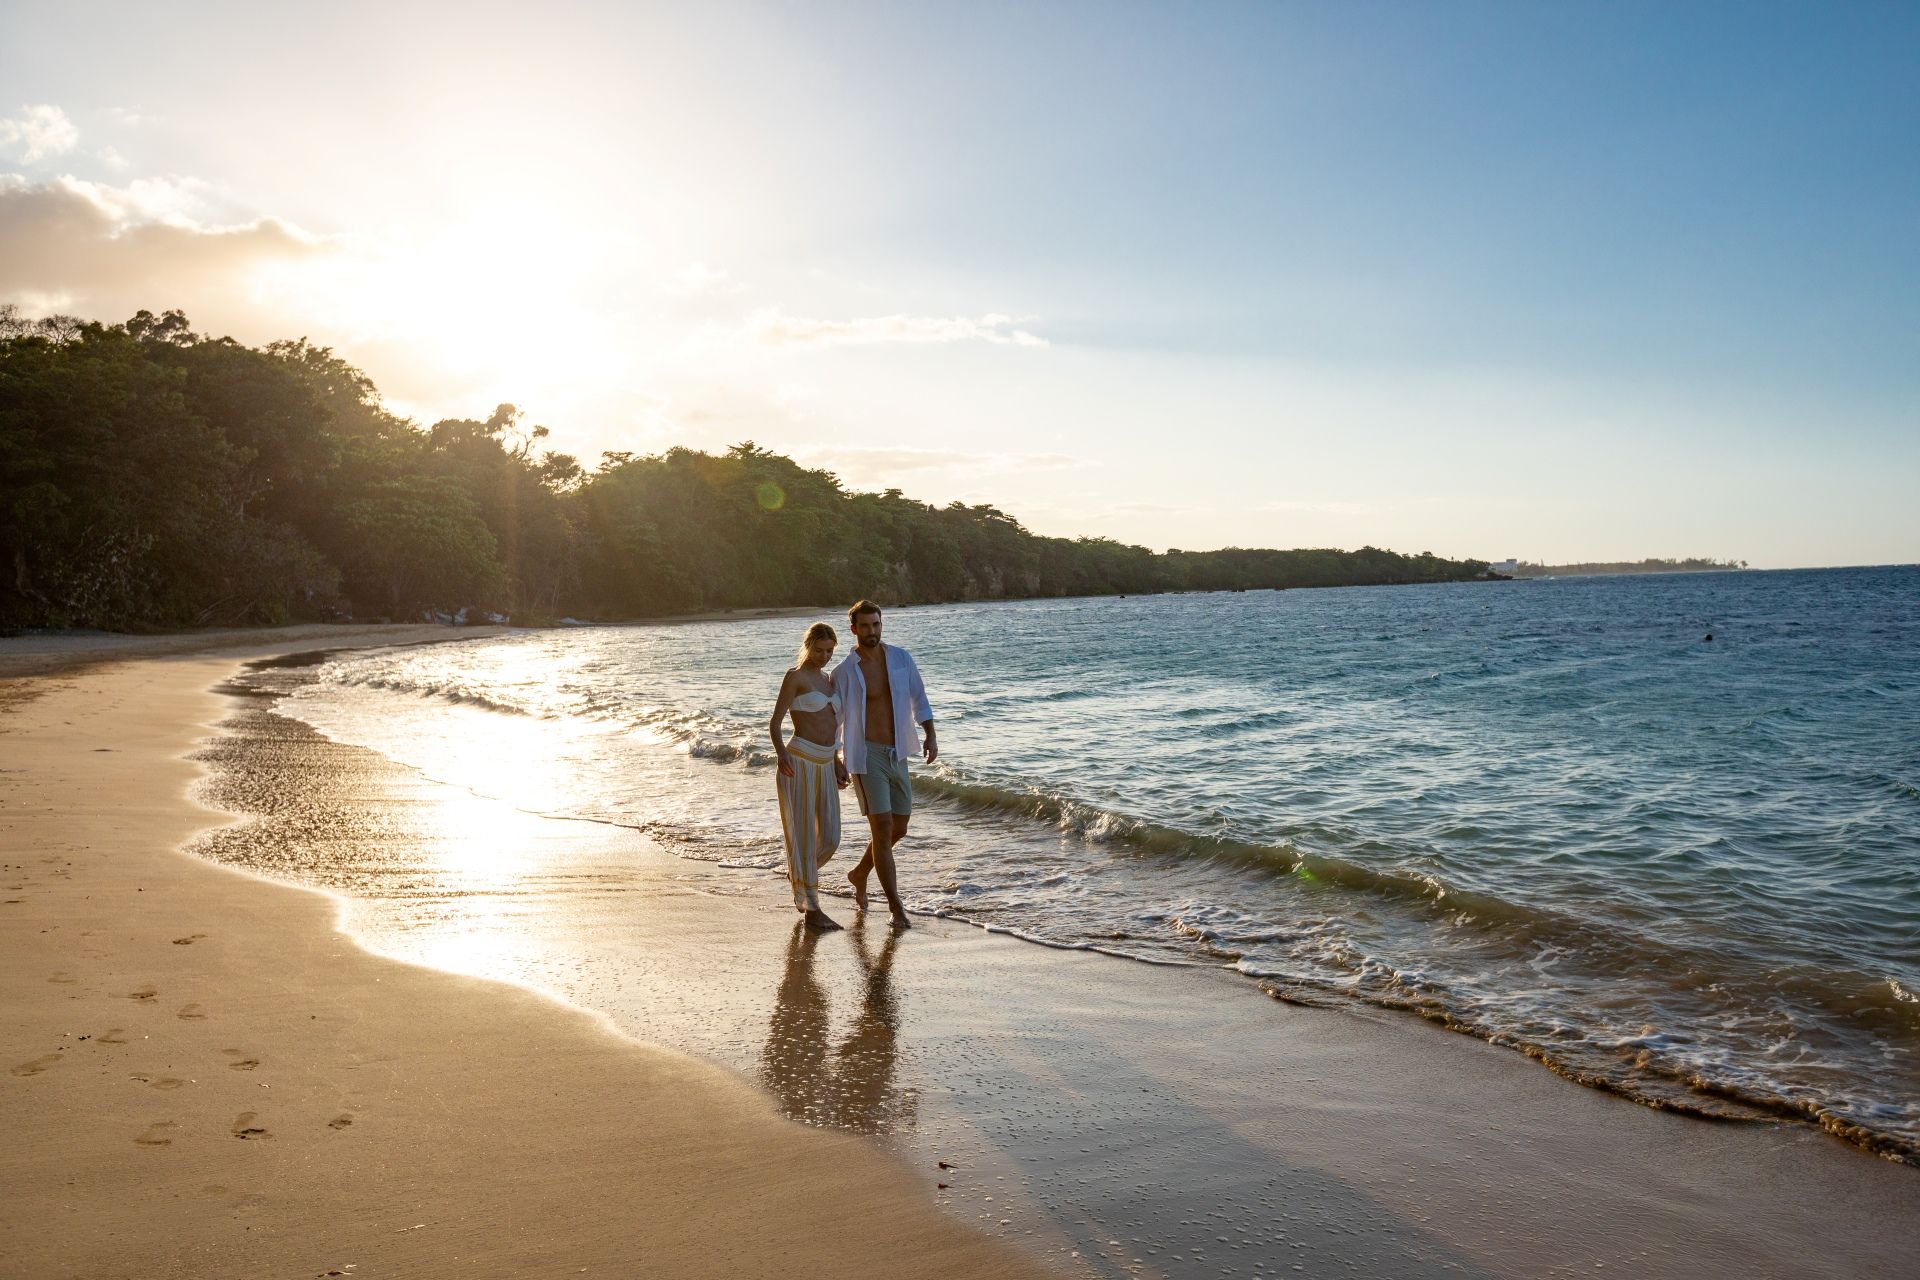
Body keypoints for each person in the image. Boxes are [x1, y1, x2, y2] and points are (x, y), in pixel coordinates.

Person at [831, 599, 936, 930]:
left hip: (899, 751)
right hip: (866, 757)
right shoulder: (844, 672)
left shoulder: (901, 659)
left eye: (876, 624)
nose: (871, 631)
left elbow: (919, 697)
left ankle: (860, 872)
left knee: (900, 827)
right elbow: (835, 718)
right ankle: (896, 908)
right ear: (854, 629)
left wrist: (930, 734)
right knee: (881, 828)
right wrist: (835, 756)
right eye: (864, 626)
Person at [768, 621, 848, 931]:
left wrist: (838, 762)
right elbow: (775, 723)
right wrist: (781, 753)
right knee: (802, 835)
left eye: (830, 651)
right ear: (808, 645)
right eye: (819, 650)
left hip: (826, 763)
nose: (824, 656)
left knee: (830, 836)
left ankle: (799, 871)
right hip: (798, 761)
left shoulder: (830, 681)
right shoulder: (795, 677)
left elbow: (833, 729)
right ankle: (812, 910)